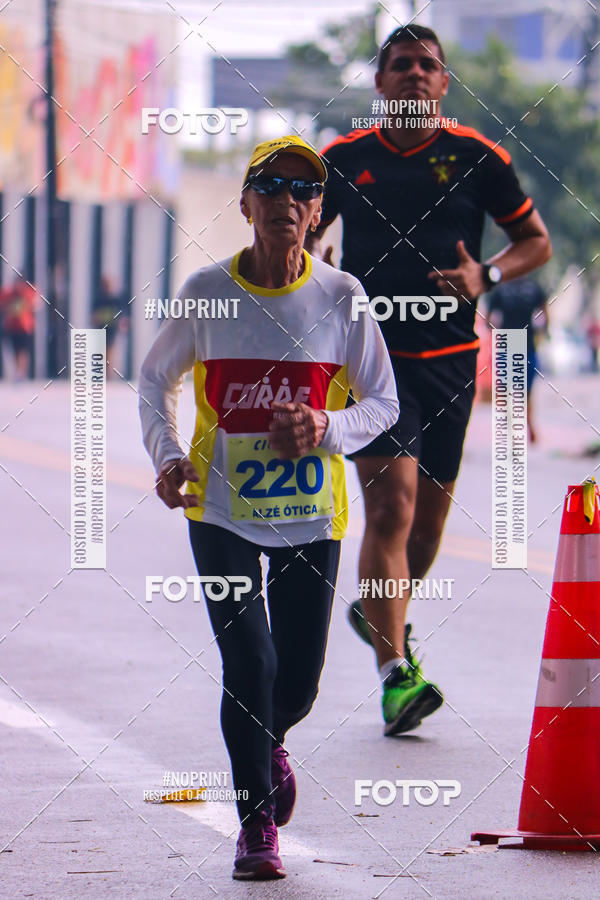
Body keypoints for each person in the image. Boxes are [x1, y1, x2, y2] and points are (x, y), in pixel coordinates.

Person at [138, 136, 398, 880]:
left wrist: (326, 427)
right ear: (246, 204)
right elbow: (154, 379)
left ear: (317, 214)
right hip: (220, 509)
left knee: (298, 681)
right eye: (271, 186)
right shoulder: (207, 292)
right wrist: (167, 455)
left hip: (311, 516)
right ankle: (255, 827)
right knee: (248, 660)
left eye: (304, 190)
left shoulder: (342, 296)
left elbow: (383, 402)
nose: (288, 199)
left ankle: (269, 742)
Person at [307, 24, 552, 737]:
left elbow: (535, 242)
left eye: (428, 65)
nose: (415, 73)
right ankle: (396, 674)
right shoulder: (345, 159)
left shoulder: (480, 158)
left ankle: (381, 614)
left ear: (444, 83)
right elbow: (303, 232)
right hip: (372, 365)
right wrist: (314, 266)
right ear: (380, 82)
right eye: (401, 64)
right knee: (390, 509)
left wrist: (488, 273)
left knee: (425, 529)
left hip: (448, 363)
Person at [486, 277, 548, 442]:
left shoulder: (501, 289)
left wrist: (496, 334)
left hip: (507, 344)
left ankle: (510, 428)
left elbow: (488, 320)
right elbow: (546, 313)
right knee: (526, 392)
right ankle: (528, 426)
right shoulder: (533, 288)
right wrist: (541, 333)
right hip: (527, 345)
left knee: (504, 391)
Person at [0, 275, 38, 381]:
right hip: (13, 327)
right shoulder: (9, 294)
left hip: (24, 327)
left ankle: (22, 372)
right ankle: (18, 372)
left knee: (23, 350)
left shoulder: (26, 292)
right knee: (16, 350)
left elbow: (34, 302)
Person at [92, 275, 129, 376]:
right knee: (101, 352)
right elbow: (94, 316)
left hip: (111, 330)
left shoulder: (115, 300)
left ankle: (108, 374)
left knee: (109, 352)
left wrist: (122, 324)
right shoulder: (98, 300)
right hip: (100, 331)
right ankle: (102, 373)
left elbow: (121, 316)